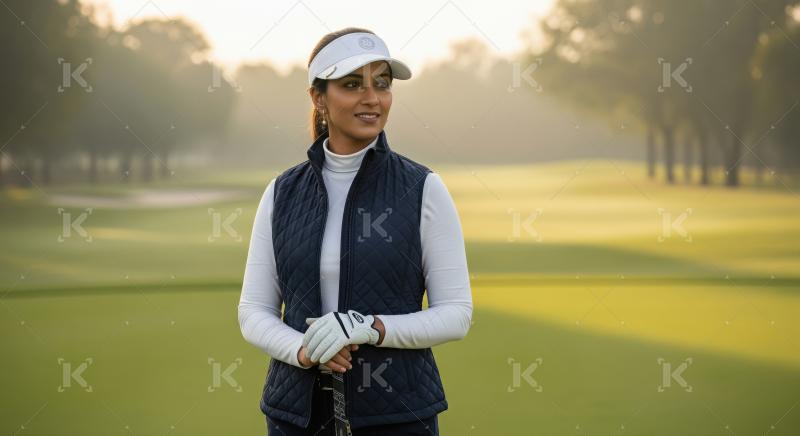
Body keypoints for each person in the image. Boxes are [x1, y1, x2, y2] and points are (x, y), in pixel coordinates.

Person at [238, 27, 473, 435]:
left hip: (398, 416)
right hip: (296, 417)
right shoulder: (282, 192)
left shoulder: (423, 188)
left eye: (382, 83)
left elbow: (456, 314)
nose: (372, 98)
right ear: (318, 97)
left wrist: (372, 327)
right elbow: (253, 312)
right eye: (351, 84)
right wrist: (304, 350)